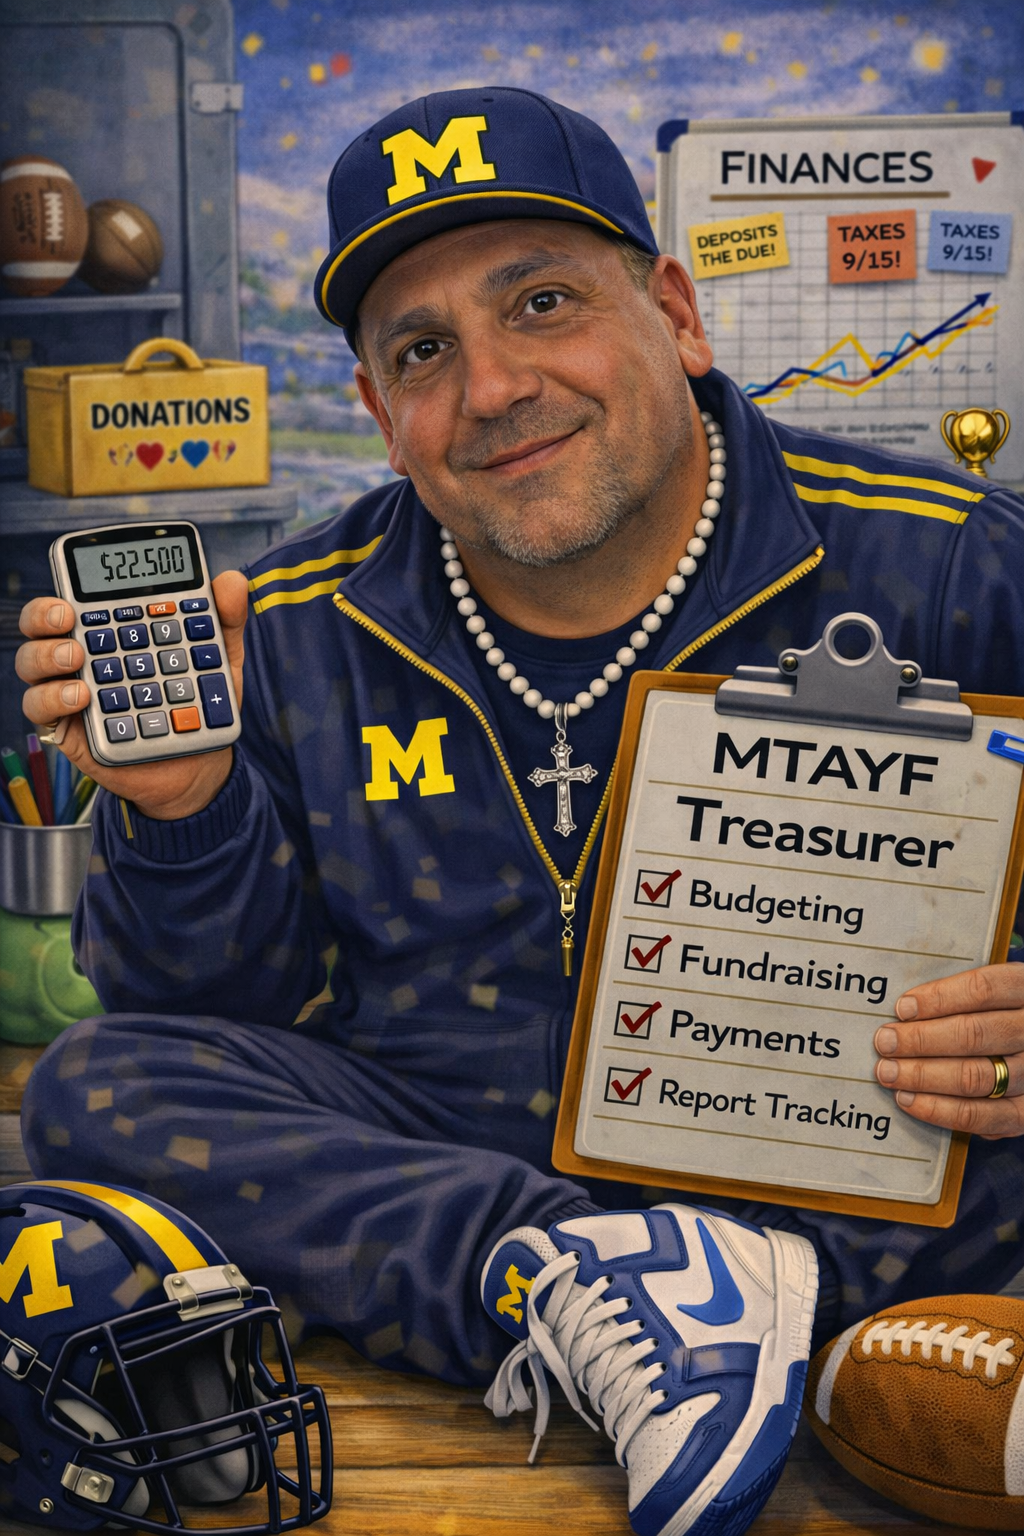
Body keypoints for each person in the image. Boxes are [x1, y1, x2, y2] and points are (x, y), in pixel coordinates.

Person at [14, 87, 1024, 1536]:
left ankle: (681, 1307)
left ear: (675, 314)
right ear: (379, 411)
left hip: (861, 1153)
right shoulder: (291, 624)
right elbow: (206, 1007)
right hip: (450, 1155)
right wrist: (184, 806)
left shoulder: (960, 570)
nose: (489, 390)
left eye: (542, 303)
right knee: (98, 1084)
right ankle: (591, 1287)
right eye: (423, 352)